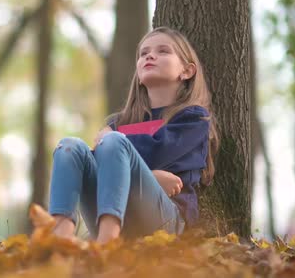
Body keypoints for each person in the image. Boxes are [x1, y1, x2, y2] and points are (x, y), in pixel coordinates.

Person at [47, 26, 219, 244]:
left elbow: (159, 149)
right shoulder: (118, 123)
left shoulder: (193, 118)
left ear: (187, 71)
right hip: (114, 209)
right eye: (143, 53)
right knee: (69, 147)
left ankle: (107, 243)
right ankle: (60, 240)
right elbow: (104, 165)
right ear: (138, 75)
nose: (150, 55)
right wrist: (151, 176)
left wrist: (143, 176)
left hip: (166, 222)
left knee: (113, 141)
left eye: (163, 51)